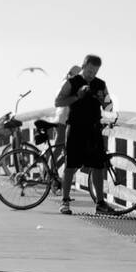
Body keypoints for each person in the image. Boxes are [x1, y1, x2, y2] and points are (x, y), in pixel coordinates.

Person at [54, 54, 115, 215]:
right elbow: (58, 102)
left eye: (95, 72)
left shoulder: (100, 84)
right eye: (89, 71)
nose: (91, 74)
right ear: (83, 66)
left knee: (98, 166)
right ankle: (65, 202)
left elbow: (109, 106)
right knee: (70, 166)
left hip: (94, 129)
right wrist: (77, 96)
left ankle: (100, 203)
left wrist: (105, 101)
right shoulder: (72, 82)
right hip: (75, 128)